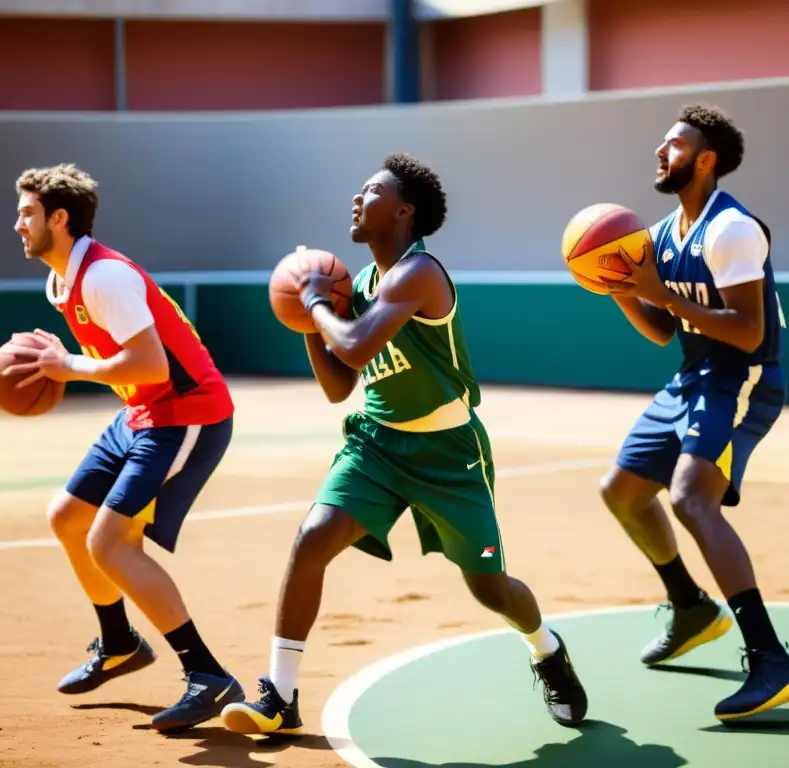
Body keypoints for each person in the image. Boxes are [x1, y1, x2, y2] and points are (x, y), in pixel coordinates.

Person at [221, 152, 588, 736]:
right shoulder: (361, 284)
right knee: (313, 537)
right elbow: (341, 387)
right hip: (378, 446)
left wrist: (316, 303)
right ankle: (280, 694)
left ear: (403, 211)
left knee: (489, 588)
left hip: (451, 455)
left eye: (370, 190)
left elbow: (360, 346)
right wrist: (307, 321)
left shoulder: (420, 273)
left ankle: (546, 649)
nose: (356, 197)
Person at [597, 104, 789, 721]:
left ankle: (773, 658)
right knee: (621, 492)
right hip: (691, 378)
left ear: (706, 159)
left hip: (742, 379)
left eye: (673, 144)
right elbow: (663, 329)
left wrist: (658, 291)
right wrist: (621, 290)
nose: (659, 152)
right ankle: (690, 607)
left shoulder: (732, 229)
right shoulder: (667, 234)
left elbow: (748, 333)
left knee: (692, 497)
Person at [8, 164, 242, 734]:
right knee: (66, 517)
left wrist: (71, 366)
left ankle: (208, 675)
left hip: (186, 413)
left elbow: (153, 364)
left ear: (58, 219)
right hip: (141, 412)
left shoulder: (104, 276)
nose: (17, 223)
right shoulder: (61, 280)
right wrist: (71, 360)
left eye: (27, 213)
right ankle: (119, 643)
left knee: (109, 543)